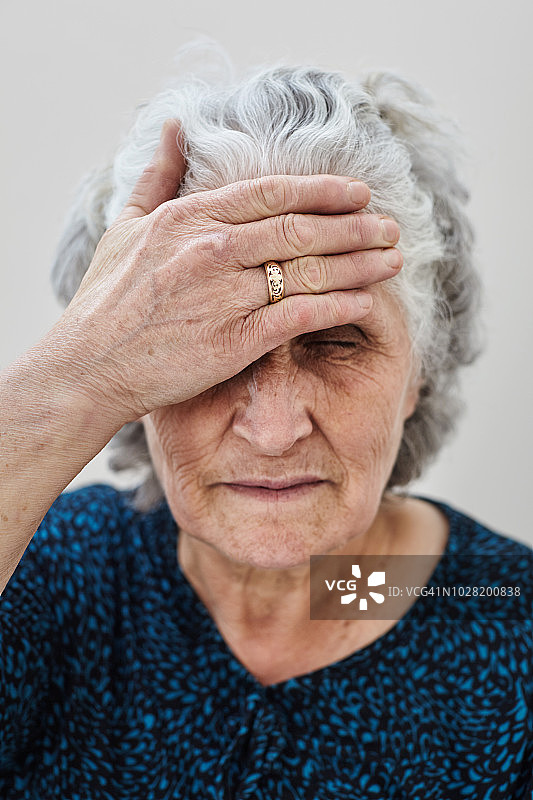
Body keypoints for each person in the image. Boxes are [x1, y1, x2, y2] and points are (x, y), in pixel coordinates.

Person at [0, 49, 531, 799]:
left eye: (337, 341)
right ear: (132, 376)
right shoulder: (45, 572)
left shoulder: (496, 606)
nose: (274, 431)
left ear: (420, 372)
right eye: (203, 356)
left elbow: (368, 595)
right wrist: (69, 377)